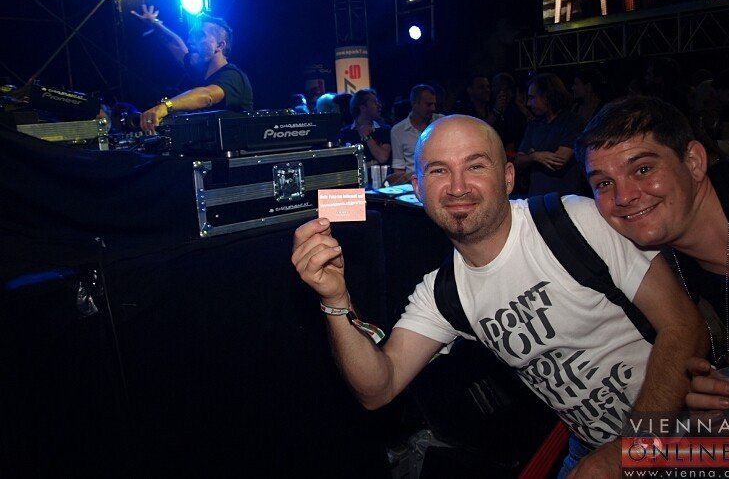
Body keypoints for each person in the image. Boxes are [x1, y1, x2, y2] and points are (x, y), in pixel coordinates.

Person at [293, 115, 707, 477]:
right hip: (592, 448)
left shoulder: (572, 220)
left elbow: (686, 327)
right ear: (417, 187)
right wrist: (335, 301)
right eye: (439, 171)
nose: (458, 187)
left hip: (691, 431)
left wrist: (629, 452)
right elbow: (377, 388)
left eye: (475, 166)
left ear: (508, 177)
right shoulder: (444, 294)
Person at [574, 96, 729, 412]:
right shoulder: (672, 274)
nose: (624, 197)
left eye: (643, 169)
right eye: (604, 183)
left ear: (694, 162)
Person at [131, 5, 253, 133]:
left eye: (199, 35)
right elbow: (177, 46)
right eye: (191, 36)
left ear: (219, 45)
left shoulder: (233, 76)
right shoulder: (199, 70)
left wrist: (165, 106)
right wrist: (154, 23)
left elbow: (207, 96)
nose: (190, 41)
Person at [515, 73, 587, 196]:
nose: (528, 103)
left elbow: (559, 161)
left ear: (547, 97)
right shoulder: (534, 125)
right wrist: (535, 156)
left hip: (565, 197)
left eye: (532, 97)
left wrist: (530, 155)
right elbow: (518, 161)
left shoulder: (573, 122)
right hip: (536, 196)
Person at [387, 84, 443, 185]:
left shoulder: (442, 122)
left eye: (434, 104)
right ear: (414, 104)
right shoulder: (398, 131)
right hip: (412, 185)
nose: (433, 108)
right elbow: (398, 170)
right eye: (428, 104)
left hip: (441, 181)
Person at [339, 88, 391, 165]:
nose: (379, 106)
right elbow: (345, 164)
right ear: (363, 108)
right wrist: (372, 162)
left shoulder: (384, 130)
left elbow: (382, 158)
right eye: (374, 102)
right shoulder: (345, 133)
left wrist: (367, 137)